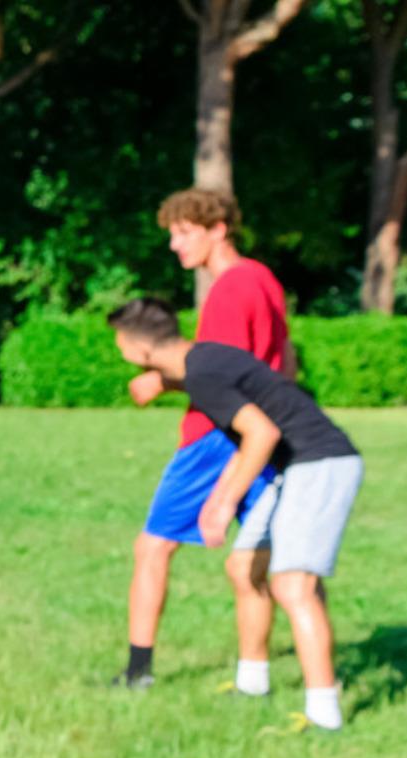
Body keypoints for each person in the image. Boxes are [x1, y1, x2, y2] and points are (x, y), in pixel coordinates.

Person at [107, 298, 359, 732]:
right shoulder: (203, 359)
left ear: (139, 348)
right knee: (244, 569)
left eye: (120, 344)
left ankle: (324, 714)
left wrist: (222, 502)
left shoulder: (202, 373)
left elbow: (262, 431)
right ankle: (253, 683)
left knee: (293, 584)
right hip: (301, 465)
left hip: (321, 463)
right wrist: (165, 385)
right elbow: (235, 387)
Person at [113, 188, 287, 692]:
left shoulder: (231, 289)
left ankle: (137, 673)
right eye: (172, 233)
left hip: (214, 435)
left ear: (218, 230)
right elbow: (284, 358)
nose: (174, 244)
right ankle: (253, 680)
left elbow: (220, 375)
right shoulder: (265, 280)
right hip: (263, 435)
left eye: (184, 232)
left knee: (152, 548)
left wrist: (160, 380)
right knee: (253, 562)